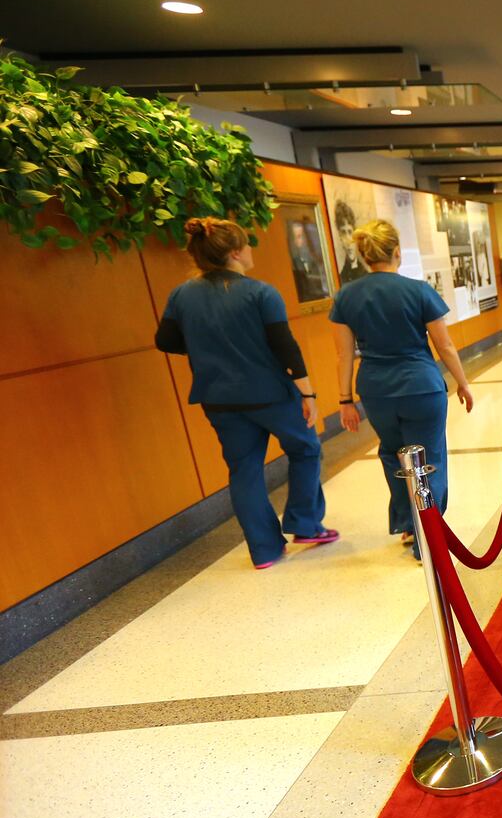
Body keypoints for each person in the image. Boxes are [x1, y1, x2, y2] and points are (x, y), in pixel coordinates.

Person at [155, 217, 338, 570]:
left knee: (244, 470)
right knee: (305, 449)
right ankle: (305, 523)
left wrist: (205, 346)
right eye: (248, 244)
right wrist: (308, 394)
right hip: (271, 393)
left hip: (218, 398)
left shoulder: (182, 295)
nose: (251, 250)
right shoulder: (260, 293)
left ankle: (265, 550)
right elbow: (285, 346)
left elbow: (165, 340)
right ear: (236, 252)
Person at [330, 219, 474, 558]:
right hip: (421, 386)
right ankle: (429, 539)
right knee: (428, 458)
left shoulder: (346, 296)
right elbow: (444, 345)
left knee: (393, 453)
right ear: (397, 251)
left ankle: (410, 523)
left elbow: (344, 354)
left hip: (376, 391)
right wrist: (463, 383)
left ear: (365, 255)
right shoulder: (419, 291)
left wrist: (345, 400)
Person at [335, 200, 368, 285]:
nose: (348, 240)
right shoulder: (340, 279)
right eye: (343, 233)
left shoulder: (367, 275)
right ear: (340, 237)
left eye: (350, 232)